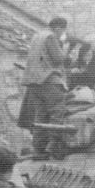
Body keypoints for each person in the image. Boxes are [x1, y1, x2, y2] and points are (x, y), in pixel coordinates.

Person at [18, 16, 70, 154]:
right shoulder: (50, 37)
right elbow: (58, 59)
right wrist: (65, 48)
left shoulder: (37, 36)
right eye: (63, 31)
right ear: (58, 28)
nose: (62, 34)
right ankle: (53, 144)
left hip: (34, 83)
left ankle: (38, 146)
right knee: (57, 111)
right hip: (48, 80)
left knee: (41, 115)